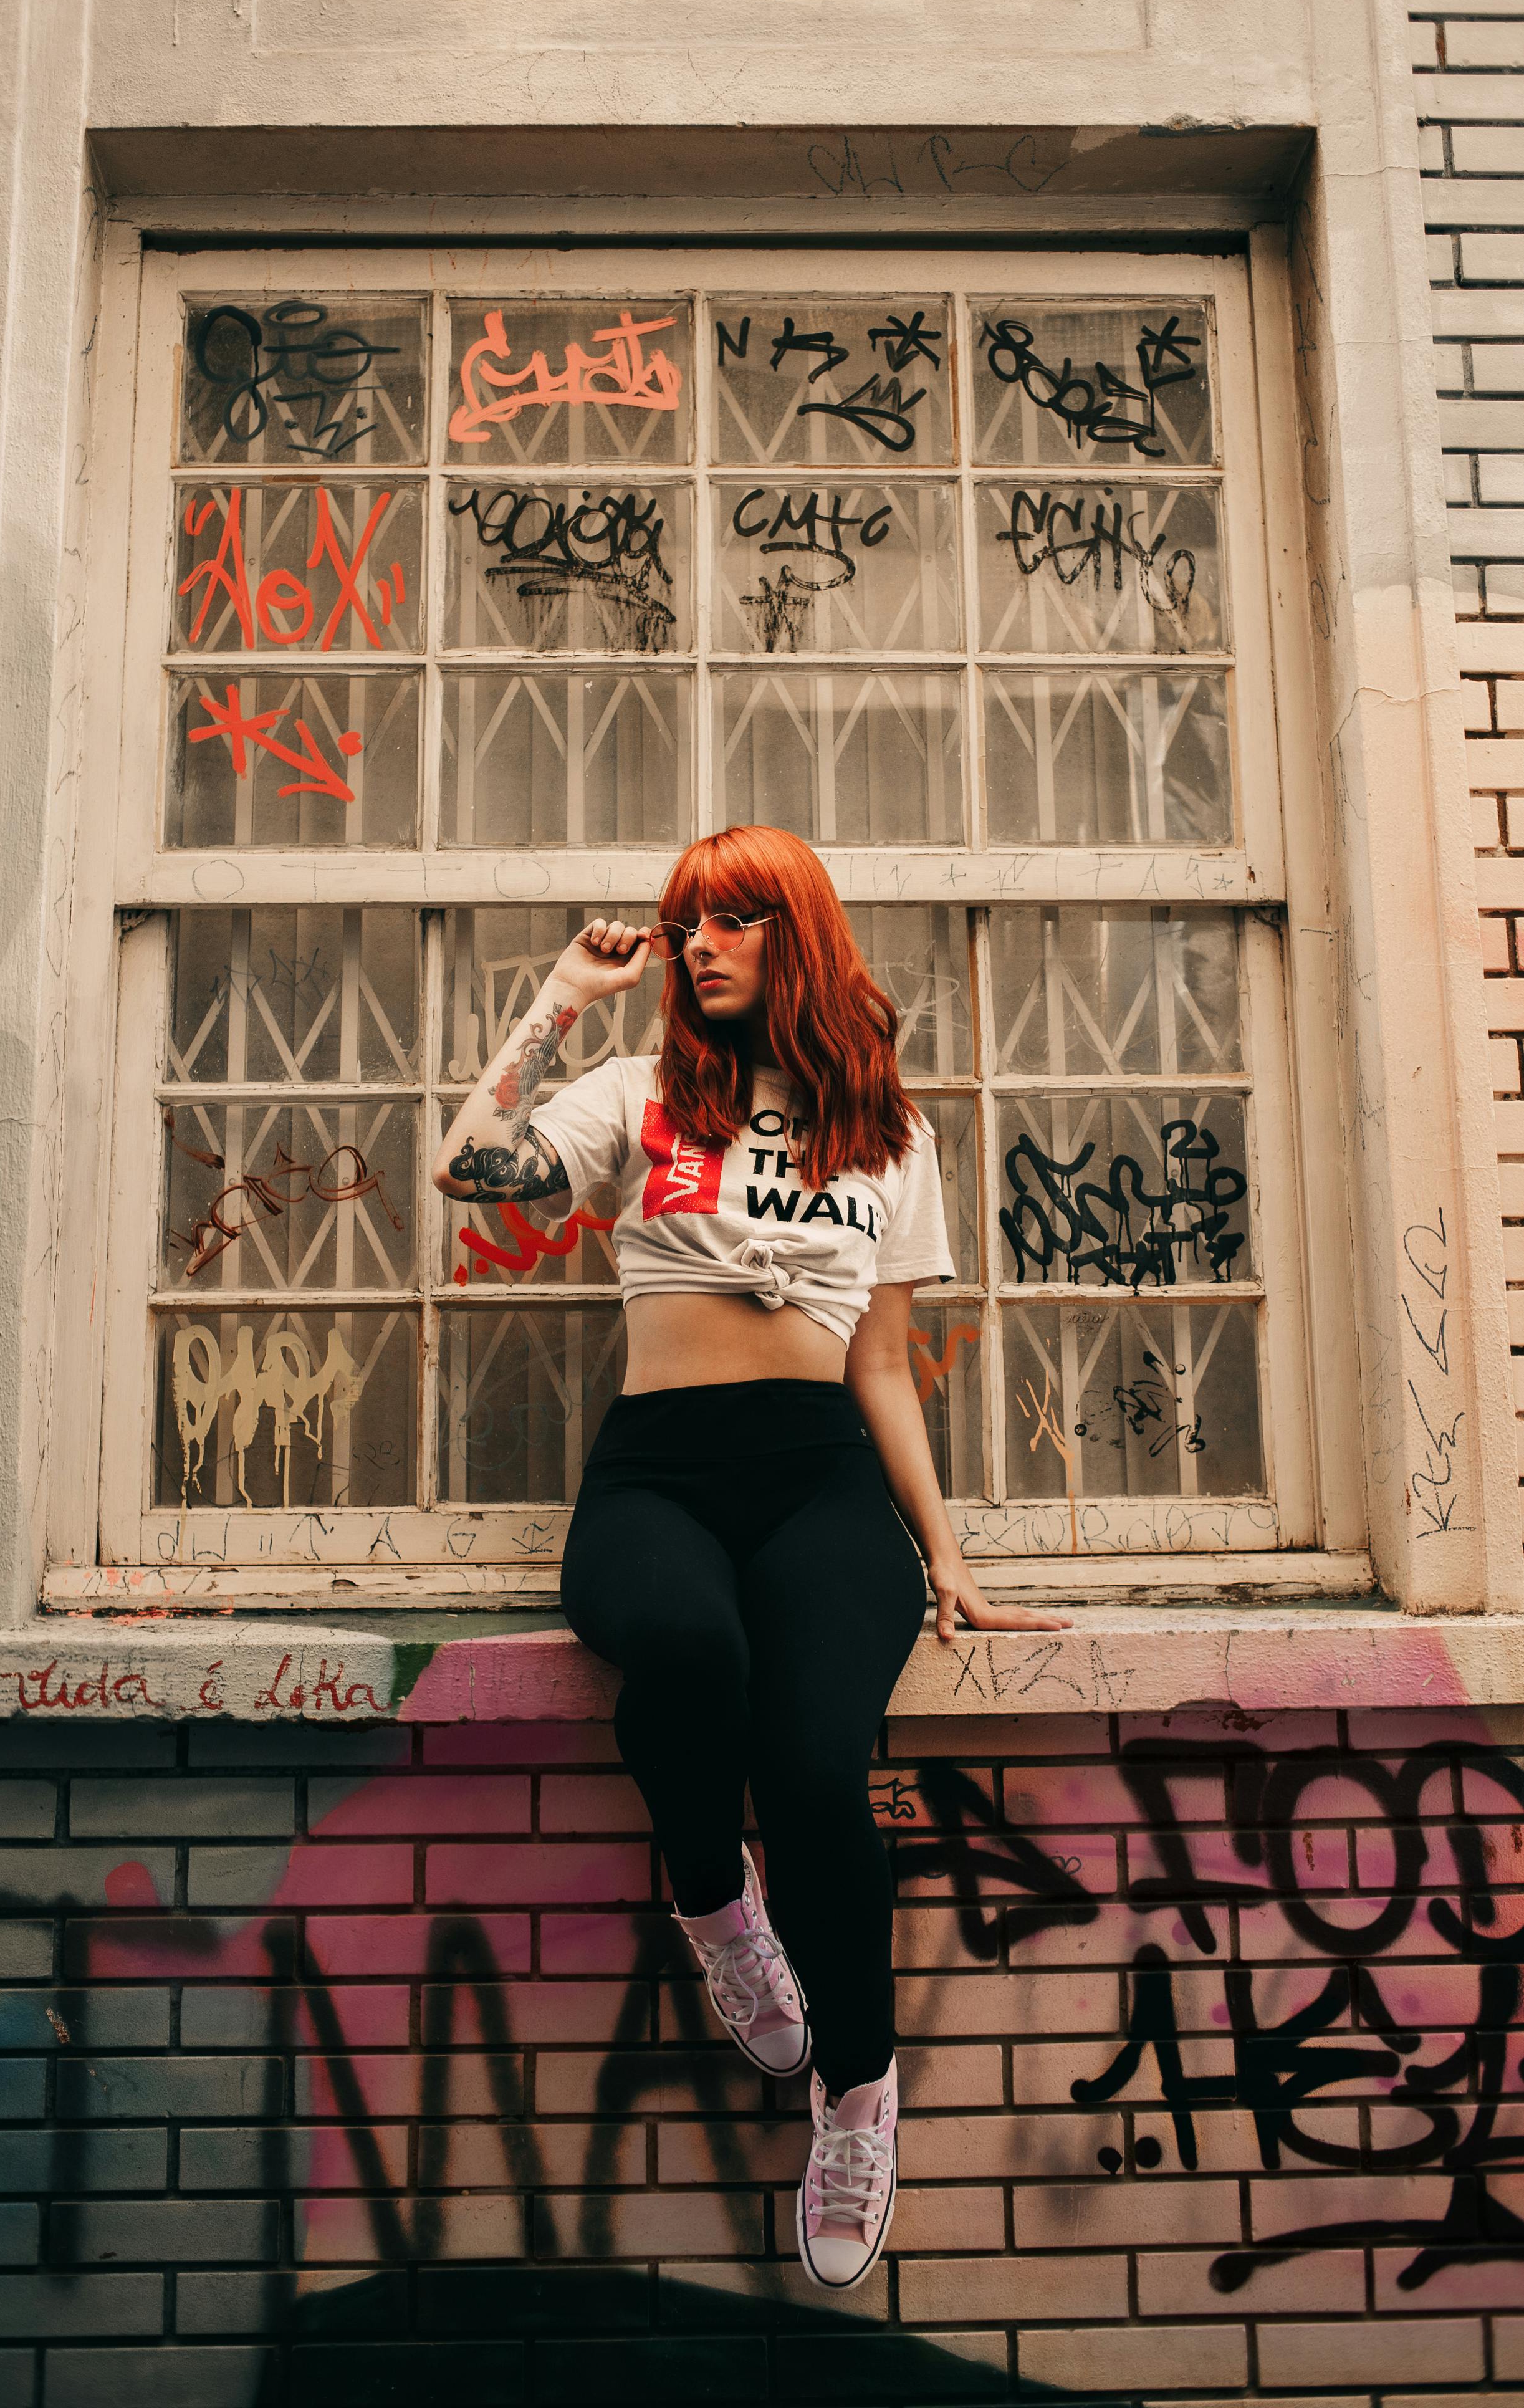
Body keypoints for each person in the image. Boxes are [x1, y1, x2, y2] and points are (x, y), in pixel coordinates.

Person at [432, 825, 1070, 2291]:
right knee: (691, 1650)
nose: (697, 944)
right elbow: (471, 1167)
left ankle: (856, 2095)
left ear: (800, 934)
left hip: (821, 1485)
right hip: (658, 1471)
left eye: (730, 919)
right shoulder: (641, 1094)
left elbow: (888, 1366)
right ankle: (719, 1907)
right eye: (684, 925)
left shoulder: (884, 1130)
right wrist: (558, 1001)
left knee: (809, 1767)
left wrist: (948, 1555)